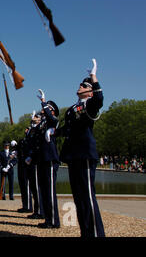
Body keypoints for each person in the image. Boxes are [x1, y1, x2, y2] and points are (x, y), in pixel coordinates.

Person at [57, 59, 105, 237]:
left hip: (85, 153)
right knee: (78, 197)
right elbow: (66, 129)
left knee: (88, 195)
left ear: (90, 92)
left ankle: (96, 233)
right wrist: (53, 132)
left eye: (84, 85)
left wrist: (93, 77)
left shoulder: (90, 105)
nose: (80, 86)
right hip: (72, 155)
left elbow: (99, 99)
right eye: (81, 84)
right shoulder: (72, 109)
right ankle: (86, 232)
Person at [35, 89, 60, 229]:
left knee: (50, 190)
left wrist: (44, 102)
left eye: (48, 109)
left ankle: (53, 221)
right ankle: (47, 218)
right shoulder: (43, 123)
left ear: (53, 111)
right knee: (44, 190)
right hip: (42, 159)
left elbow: (52, 119)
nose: (43, 110)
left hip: (50, 159)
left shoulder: (53, 121)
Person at [24, 112, 44, 220]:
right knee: (33, 186)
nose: (33, 118)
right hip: (30, 159)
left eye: (36, 117)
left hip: (35, 160)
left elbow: (36, 144)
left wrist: (31, 156)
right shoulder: (33, 129)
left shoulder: (38, 129)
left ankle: (40, 211)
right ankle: (37, 210)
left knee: (36, 187)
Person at [16, 134, 33, 213]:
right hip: (21, 163)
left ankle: (28, 206)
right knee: (22, 185)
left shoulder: (30, 140)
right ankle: (25, 205)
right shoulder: (23, 141)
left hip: (26, 164)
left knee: (26, 185)